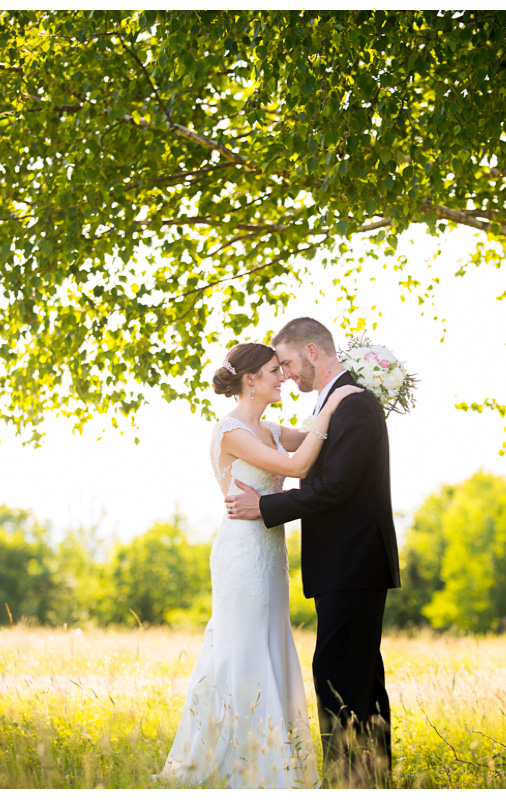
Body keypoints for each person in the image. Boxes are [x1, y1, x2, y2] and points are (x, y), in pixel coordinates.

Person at [158, 342, 362, 789]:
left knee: (270, 643)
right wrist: (332, 408)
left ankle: (275, 756)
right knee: (242, 646)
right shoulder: (232, 430)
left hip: (270, 554)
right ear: (250, 379)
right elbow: (297, 462)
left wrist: (347, 397)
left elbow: (314, 443)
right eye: (275, 370)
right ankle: (239, 761)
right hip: (242, 553)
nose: (283, 377)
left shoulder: (267, 427)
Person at [226, 317, 401, 788]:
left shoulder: (354, 405)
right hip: (346, 561)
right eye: (275, 368)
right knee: (358, 672)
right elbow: (310, 465)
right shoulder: (337, 404)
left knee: (338, 671)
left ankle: (347, 781)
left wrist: (264, 506)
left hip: (353, 560)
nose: (285, 374)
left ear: (312, 352)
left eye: (286, 363)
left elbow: (336, 488)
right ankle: (371, 778)